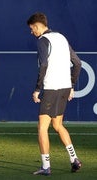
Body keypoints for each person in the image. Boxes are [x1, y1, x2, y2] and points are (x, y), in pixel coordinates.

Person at [27, 12, 82, 176]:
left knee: (42, 128)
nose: (32, 32)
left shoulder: (42, 40)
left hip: (51, 88)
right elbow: (77, 63)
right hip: (65, 87)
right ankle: (74, 159)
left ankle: (46, 166)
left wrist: (37, 89)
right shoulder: (62, 37)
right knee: (57, 125)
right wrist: (71, 85)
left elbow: (43, 64)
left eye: (32, 29)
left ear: (37, 26)